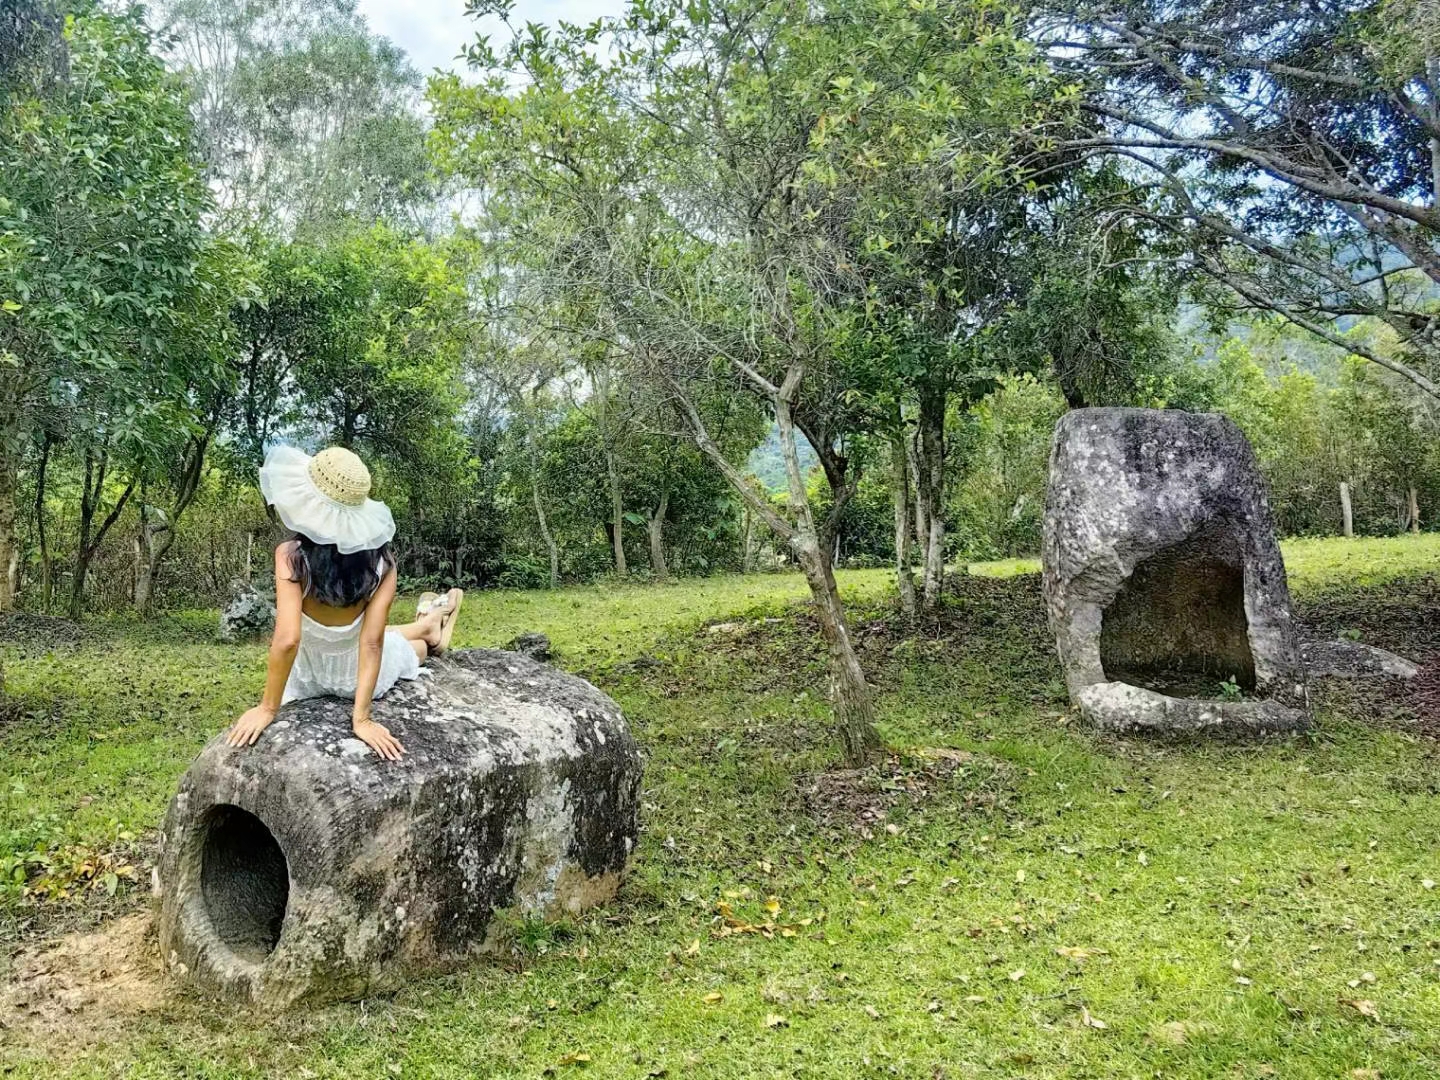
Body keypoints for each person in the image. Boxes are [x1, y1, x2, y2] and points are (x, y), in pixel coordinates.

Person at [225, 445, 463, 760]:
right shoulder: (383, 564)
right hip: (357, 680)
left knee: (389, 642)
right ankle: (429, 629)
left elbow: (287, 640)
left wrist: (268, 707)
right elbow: (372, 643)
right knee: (407, 650)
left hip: (308, 679)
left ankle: (428, 628)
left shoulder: (291, 557)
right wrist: (361, 719)